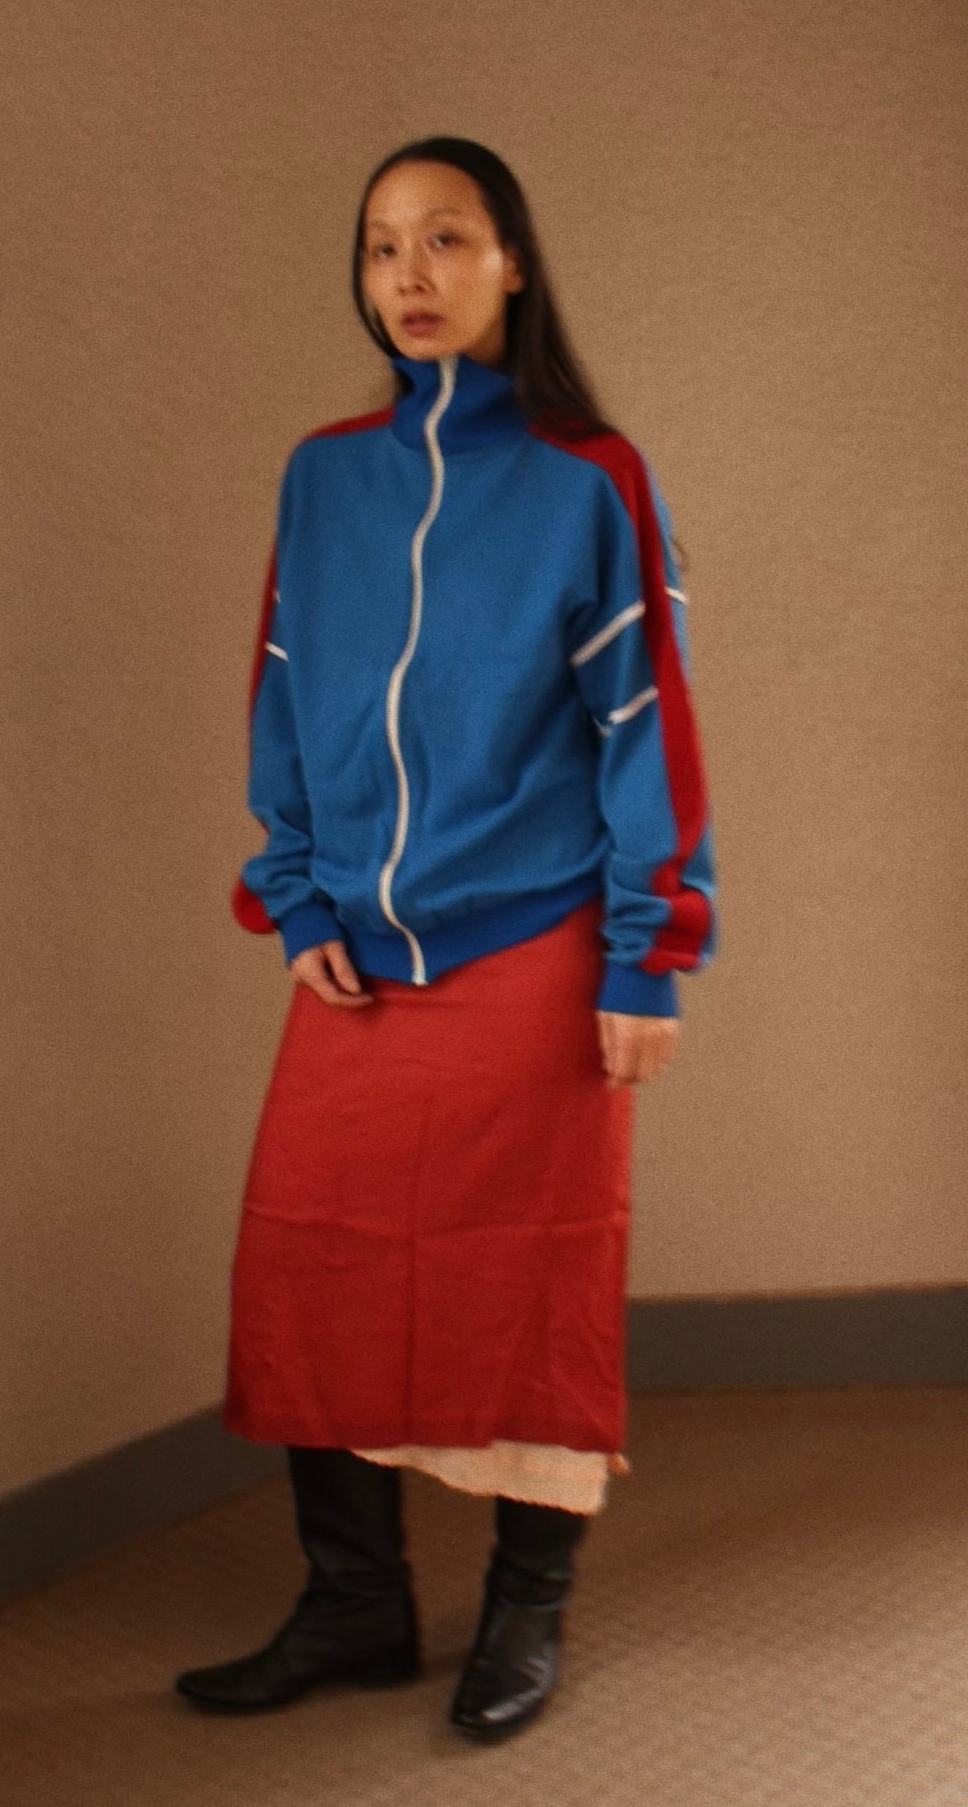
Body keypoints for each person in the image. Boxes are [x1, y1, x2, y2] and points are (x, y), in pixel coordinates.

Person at [174, 135, 718, 1742]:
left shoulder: (589, 477)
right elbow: (284, 696)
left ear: (512, 263)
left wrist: (647, 949)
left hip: (539, 940)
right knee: (313, 1266)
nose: (408, 274)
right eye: (381, 245)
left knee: (529, 1281)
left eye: (445, 239)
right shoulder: (323, 476)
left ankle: (521, 1612)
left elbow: (647, 723)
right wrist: (296, 891)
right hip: (357, 951)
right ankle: (353, 1604)